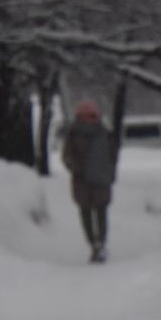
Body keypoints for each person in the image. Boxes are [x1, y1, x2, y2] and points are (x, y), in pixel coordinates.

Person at [61, 99, 116, 263]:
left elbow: (112, 156)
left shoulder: (104, 133)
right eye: (85, 115)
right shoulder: (78, 134)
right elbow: (67, 156)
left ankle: (98, 245)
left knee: (98, 214)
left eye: (91, 115)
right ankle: (95, 244)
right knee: (89, 214)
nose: (88, 119)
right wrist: (78, 168)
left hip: (96, 180)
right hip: (84, 181)